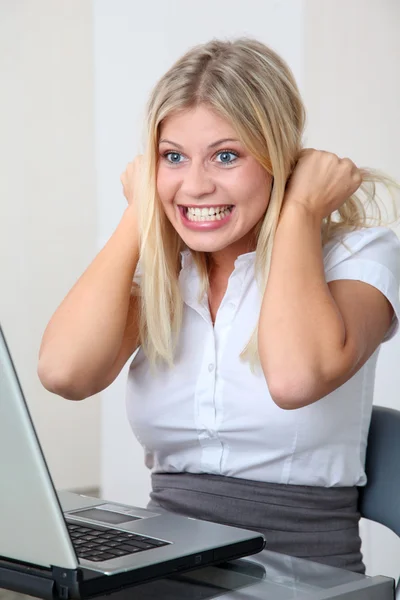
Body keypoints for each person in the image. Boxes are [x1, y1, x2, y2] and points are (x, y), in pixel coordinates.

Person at [38, 38, 400, 574]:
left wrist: (298, 209)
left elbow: (296, 379)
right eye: (173, 157)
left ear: (280, 158)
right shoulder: (167, 271)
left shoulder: (357, 256)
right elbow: (65, 374)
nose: (196, 185)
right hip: (162, 572)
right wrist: (140, 213)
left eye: (226, 156)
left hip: (303, 578)